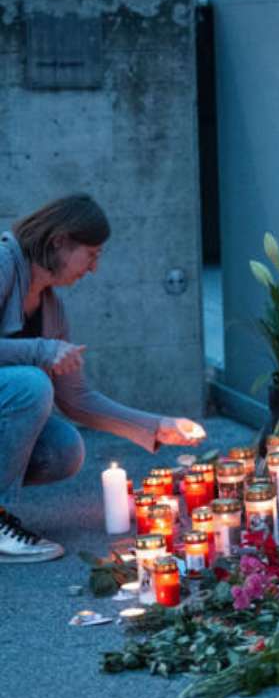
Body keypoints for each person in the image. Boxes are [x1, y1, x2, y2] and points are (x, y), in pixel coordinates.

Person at [0, 194, 205, 563]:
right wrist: (40, 350)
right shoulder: (4, 263)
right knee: (31, 385)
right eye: (91, 254)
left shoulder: (51, 308)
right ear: (59, 241)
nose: (93, 268)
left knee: (64, 449)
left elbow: (77, 399)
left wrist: (158, 426)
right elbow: (36, 363)